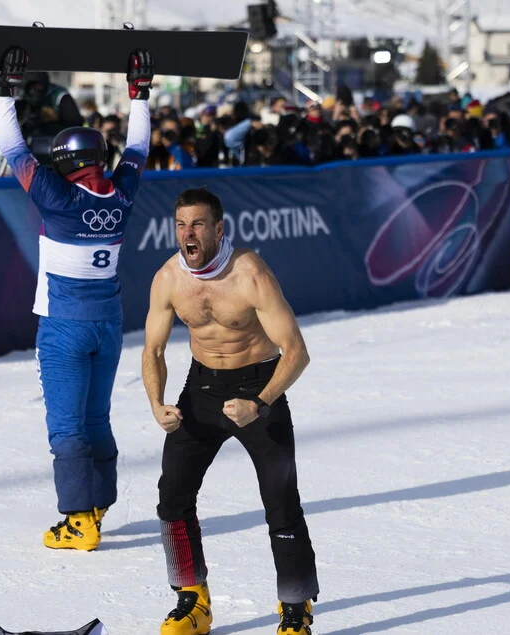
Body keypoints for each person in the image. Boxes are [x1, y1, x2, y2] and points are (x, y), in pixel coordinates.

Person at [0, 45, 153, 551]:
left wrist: (4, 92)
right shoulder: (122, 195)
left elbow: (14, 152)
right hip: (108, 323)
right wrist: (140, 94)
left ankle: (78, 521)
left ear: (64, 165)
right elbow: (138, 151)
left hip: (64, 325)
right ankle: (98, 505)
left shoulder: (57, 197)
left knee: (65, 424)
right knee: (96, 418)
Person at [141, 188, 319, 635]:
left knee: (281, 500)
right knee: (172, 497)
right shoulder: (168, 278)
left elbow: (296, 351)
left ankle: (296, 607)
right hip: (201, 388)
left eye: (198, 224)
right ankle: (192, 599)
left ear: (219, 229)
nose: (188, 234)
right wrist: (157, 404)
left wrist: (260, 403)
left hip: (259, 385)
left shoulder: (249, 273)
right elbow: (154, 349)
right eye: (181, 225)